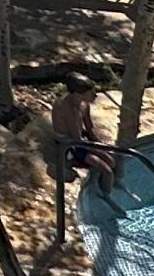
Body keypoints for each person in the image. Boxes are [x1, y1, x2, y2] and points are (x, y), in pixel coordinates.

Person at [50, 71, 122, 199]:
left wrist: (100, 146)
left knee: (112, 159)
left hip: (80, 139)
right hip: (69, 144)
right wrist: (97, 148)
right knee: (107, 170)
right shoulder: (68, 109)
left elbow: (89, 128)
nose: (95, 95)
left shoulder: (83, 104)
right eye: (91, 93)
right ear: (78, 94)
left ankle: (109, 185)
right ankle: (106, 198)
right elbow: (77, 140)